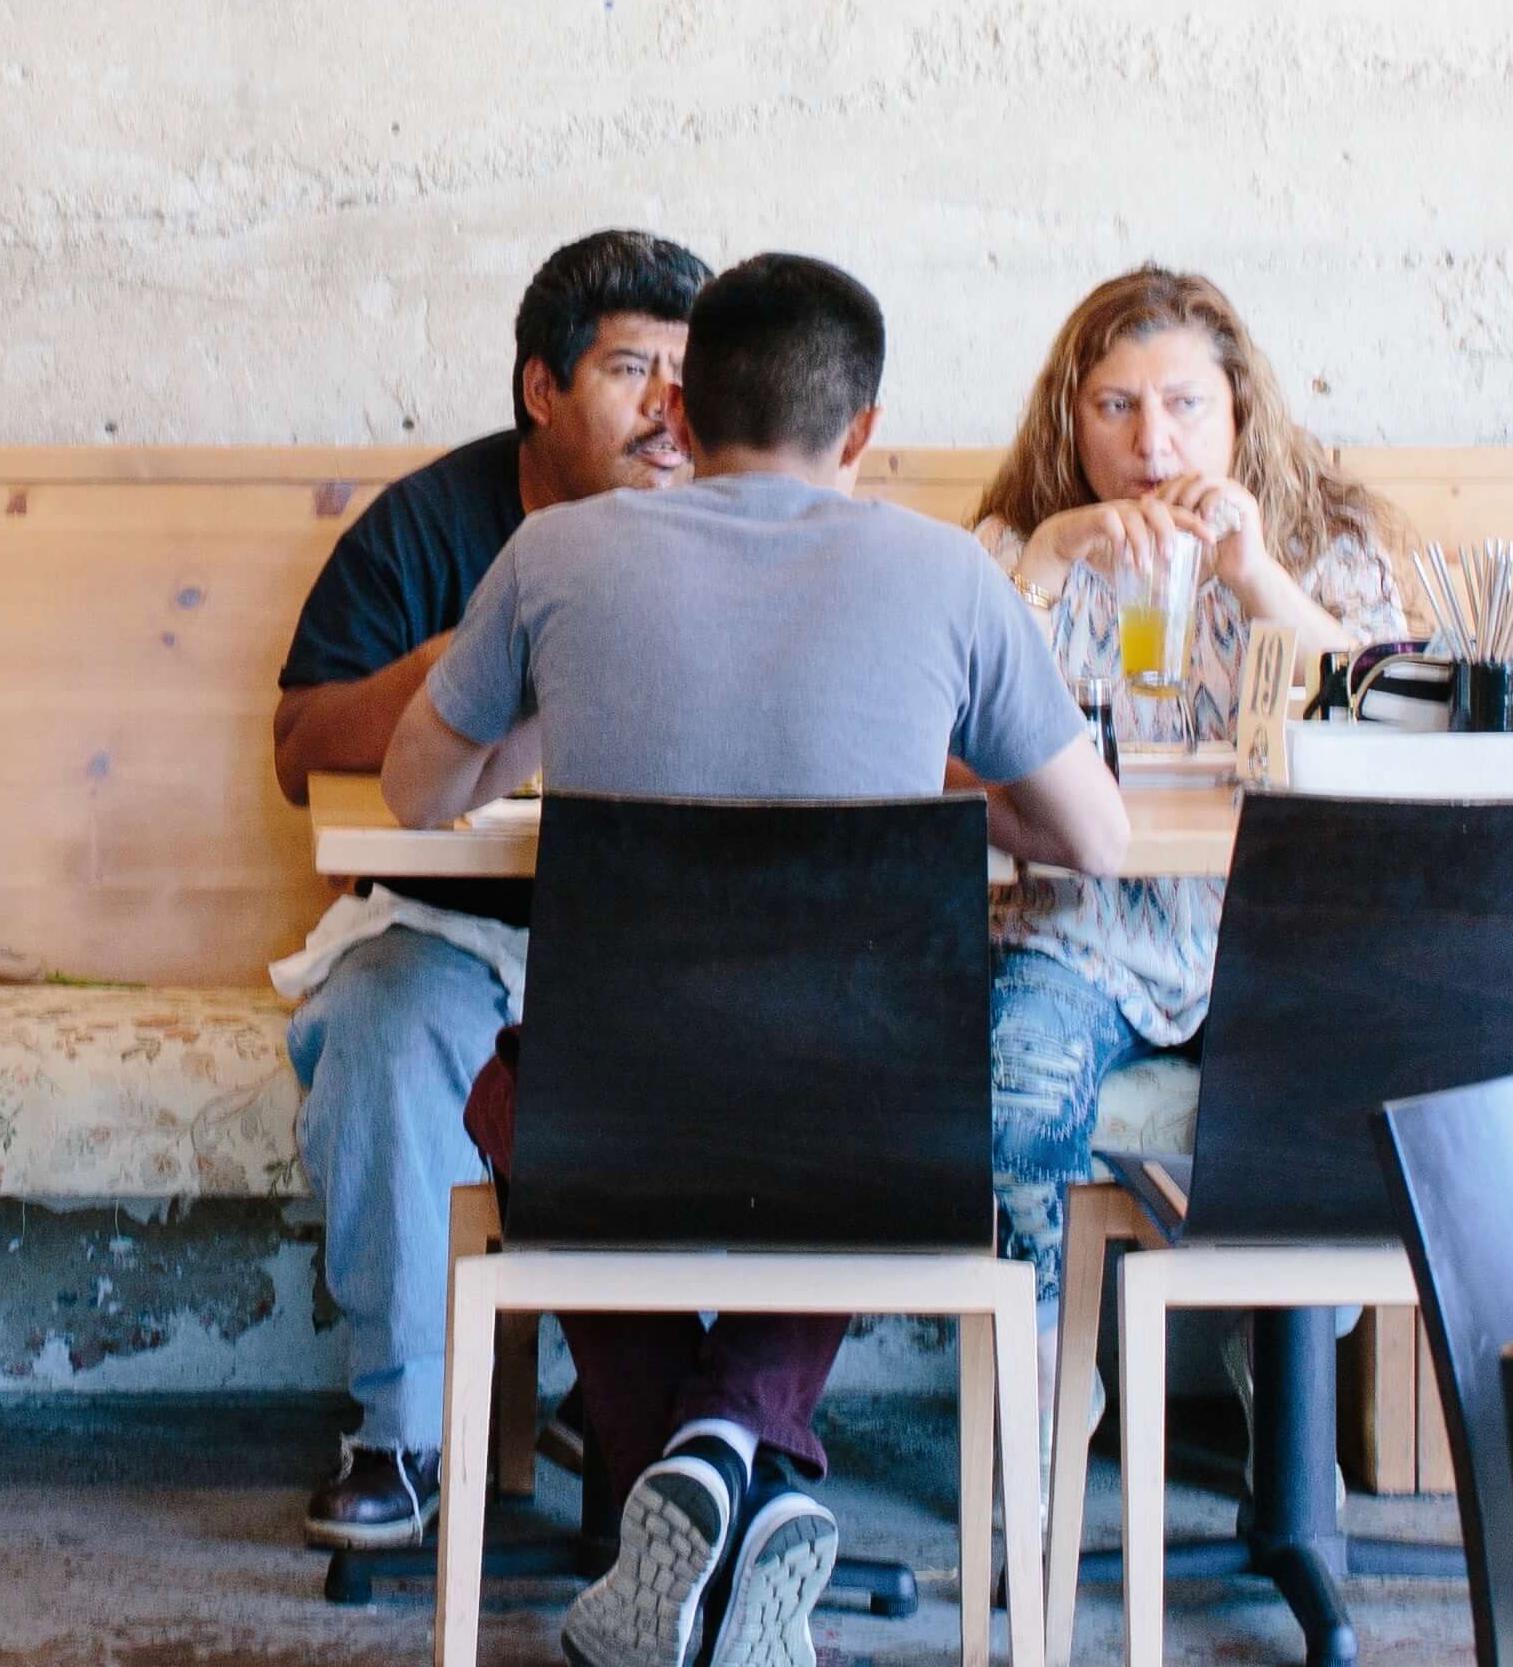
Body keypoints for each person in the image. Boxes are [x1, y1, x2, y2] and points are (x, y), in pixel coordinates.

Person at [386, 254, 1126, 1667]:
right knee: (876, 1106)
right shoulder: (946, 575)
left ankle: (695, 1472)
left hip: (610, 1120)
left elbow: (419, 794)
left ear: (679, 397)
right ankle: (742, 1455)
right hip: (870, 1133)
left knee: (513, 1102)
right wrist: (964, 791)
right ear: (861, 429)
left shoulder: (554, 557)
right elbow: (1091, 838)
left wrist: (544, 704)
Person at [270, 228, 713, 1555]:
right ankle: (403, 1433)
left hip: (663, 938)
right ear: (541, 388)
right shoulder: (433, 523)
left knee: (769, 1020)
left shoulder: (733, 524)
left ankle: (666, 1414)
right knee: (389, 1024)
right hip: (454, 929)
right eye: (632, 370)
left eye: (690, 379)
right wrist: (482, 655)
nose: (666, 412)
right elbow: (301, 752)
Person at [972, 265, 1409, 1396]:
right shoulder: (1017, 547)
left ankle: (1284, 1384)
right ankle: (1043, 1390)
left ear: (1240, 413)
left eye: (1184, 407)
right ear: (1071, 420)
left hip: (1273, 931)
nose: (1151, 444)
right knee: (1008, 1092)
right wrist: (1048, 565)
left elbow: (1389, 726)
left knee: (1370, 1103)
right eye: (1114, 406)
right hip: (1076, 931)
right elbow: (949, 735)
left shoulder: (1325, 544)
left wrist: (1255, 574)